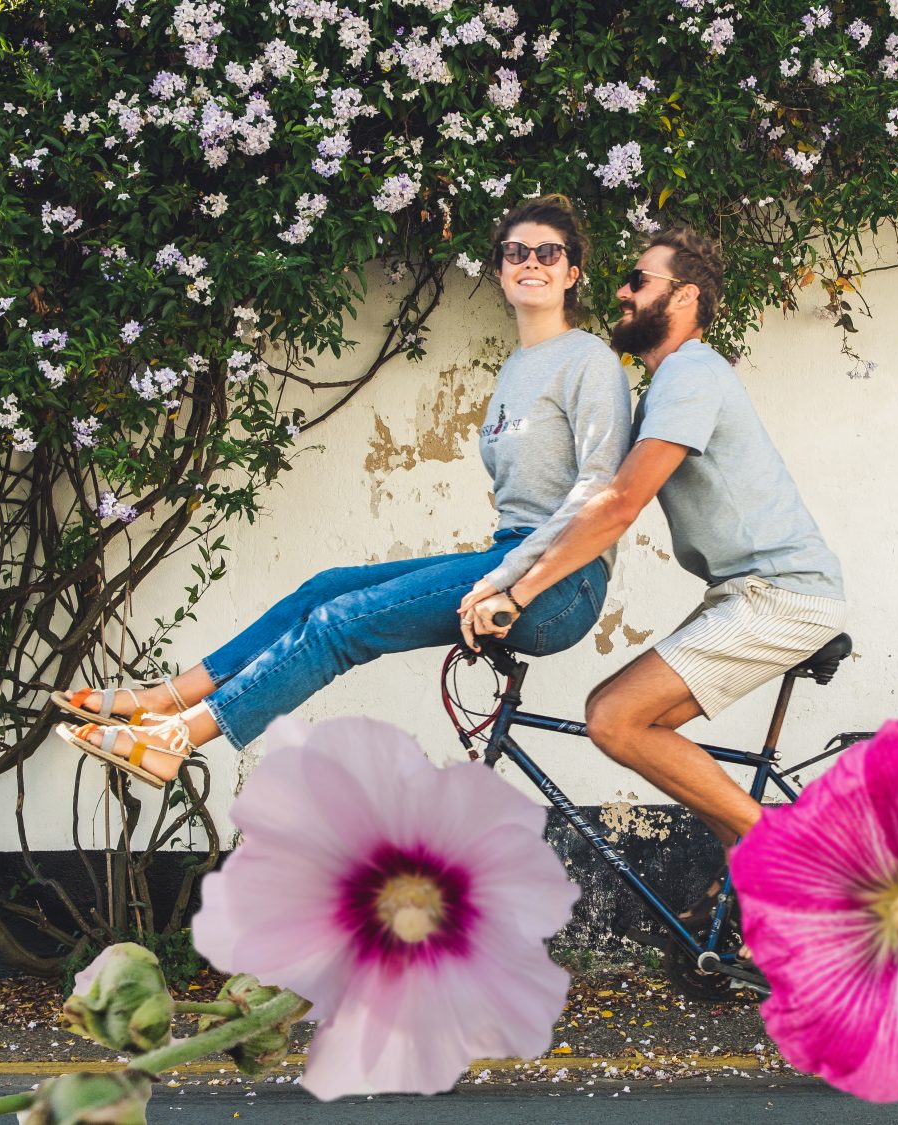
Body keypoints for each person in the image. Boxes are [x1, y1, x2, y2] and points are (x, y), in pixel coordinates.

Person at [54, 196, 632, 786]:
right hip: (509, 554)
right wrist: (503, 568)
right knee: (324, 590)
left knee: (343, 621)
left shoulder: (588, 360)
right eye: (516, 251)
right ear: (500, 267)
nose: (530, 262)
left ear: (571, 271)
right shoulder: (518, 366)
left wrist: (514, 580)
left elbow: (601, 491)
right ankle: (166, 698)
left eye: (547, 252)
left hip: (563, 581)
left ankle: (178, 740)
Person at [460, 228, 847, 849]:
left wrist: (519, 590)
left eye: (638, 281)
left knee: (614, 720)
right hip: (746, 594)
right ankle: (749, 888)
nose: (622, 292)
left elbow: (618, 505)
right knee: (632, 717)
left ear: (685, 296)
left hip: (781, 596)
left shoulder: (690, 373)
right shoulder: (669, 385)